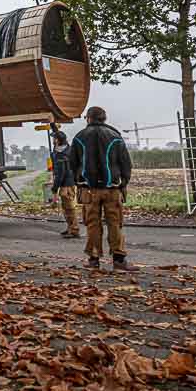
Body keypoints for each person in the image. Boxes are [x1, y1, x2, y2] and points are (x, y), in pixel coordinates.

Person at [69, 106, 133, 271]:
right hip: (112, 188)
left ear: (88, 119)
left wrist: (78, 181)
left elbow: (72, 163)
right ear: (104, 118)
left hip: (88, 189)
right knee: (115, 223)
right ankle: (119, 260)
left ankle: (94, 259)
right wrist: (123, 183)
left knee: (92, 224)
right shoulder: (115, 137)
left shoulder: (79, 137)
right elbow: (126, 163)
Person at [48, 123, 78, 238]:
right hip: (66, 183)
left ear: (57, 140)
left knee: (69, 208)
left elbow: (61, 174)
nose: (53, 140)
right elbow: (60, 135)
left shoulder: (62, 155)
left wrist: (55, 189)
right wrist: (52, 124)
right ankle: (70, 228)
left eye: (54, 138)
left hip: (66, 184)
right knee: (66, 208)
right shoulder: (64, 148)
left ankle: (74, 230)